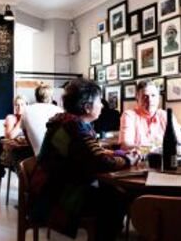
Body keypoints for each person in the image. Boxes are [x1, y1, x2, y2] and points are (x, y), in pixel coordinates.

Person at [29, 78, 136, 241]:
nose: (102, 105)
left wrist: (113, 154)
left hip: (49, 189)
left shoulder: (66, 122)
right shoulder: (76, 127)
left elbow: (89, 153)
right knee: (116, 200)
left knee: (111, 192)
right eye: (99, 101)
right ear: (87, 107)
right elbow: (101, 162)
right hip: (57, 197)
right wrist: (128, 160)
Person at [118, 79, 181, 151]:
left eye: (153, 95)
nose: (150, 100)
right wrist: (153, 150)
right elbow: (125, 145)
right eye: (145, 96)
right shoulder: (129, 115)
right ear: (137, 97)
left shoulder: (166, 115)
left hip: (164, 160)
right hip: (140, 161)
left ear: (158, 98)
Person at [0, 95, 28, 185]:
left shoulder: (29, 118)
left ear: (26, 105)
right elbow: (11, 136)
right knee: (23, 167)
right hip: (11, 153)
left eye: (22, 105)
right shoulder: (11, 118)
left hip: (25, 150)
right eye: (17, 105)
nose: (19, 107)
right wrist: (21, 121)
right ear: (14, 106)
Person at [21, 83, 63, 155]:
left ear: (36, 96)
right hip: (59, 157)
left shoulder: (26, 110)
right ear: (51, 97)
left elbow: (26, 134)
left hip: (39, 156)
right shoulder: (59, 110)